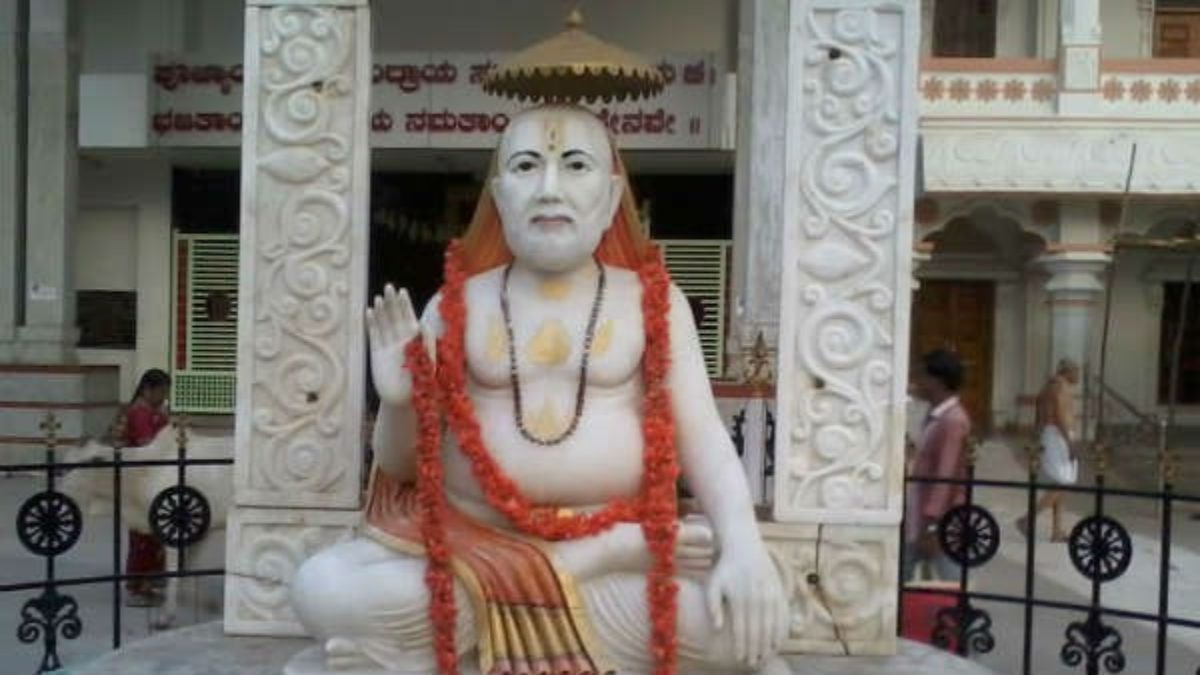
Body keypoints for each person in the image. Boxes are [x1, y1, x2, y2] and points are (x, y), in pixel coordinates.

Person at [290, 105, 789, 675]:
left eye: (575, 166)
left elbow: (703, 438)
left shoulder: (652, 302)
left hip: (621, 544)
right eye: (527, 166)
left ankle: (440, 646)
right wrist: (400, 403)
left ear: (611, 196)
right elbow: (403, 467)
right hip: (475, 546)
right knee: (324, 586)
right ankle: (586, 566)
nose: (550, 189)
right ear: (500, 196)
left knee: (749, 617)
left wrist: (743, 546)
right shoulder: (454, 305)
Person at [904, 349, 972, 582]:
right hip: (920, 514)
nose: (917, 382)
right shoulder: (936, 415)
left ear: (938, 381)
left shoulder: (952, 421)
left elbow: (946, 476)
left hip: (938, 520)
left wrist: (933, 525)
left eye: (922, 376)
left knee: (950, 580)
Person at [117, 368, 172, 606]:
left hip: (154, 480)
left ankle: (151, 579)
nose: (164, 397)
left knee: (156, 532)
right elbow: (147, 446)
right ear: (148, 390)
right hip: (140, 480)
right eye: (162, 391)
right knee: (143, 534)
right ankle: (137, 586)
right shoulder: (139, 413)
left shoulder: (155, 412)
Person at [1017, 358, 1080, 542]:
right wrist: (1069, 442)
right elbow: (1059, 415)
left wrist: (1037, 435)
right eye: (1076, 372)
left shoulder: (1047, 386)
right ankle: (1027, 519)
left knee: (1060, 484)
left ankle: (1057, 531)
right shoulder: (1060, 386)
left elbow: (1039, 414)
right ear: (1068, 371)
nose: (1078, 376)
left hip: (1051, 434)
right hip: (1059, 436)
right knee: (1063, 483)